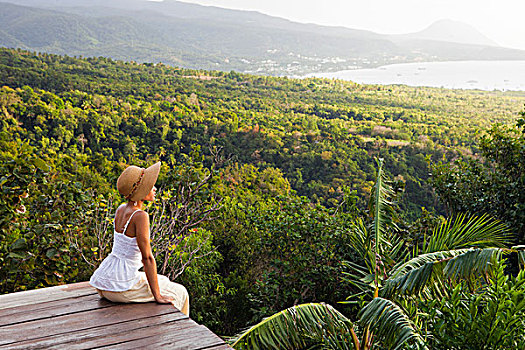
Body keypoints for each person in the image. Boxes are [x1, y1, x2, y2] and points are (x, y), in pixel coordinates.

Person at [89, 162, 190, 316]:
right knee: (180, 292)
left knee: (163, 280)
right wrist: (158, 296)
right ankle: (175, 330)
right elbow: (147, 258)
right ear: (141, 191)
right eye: (151, 186)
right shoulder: (140, 216)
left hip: (105, 284)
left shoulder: (120, 209)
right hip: (121, 290)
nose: (154, 189)